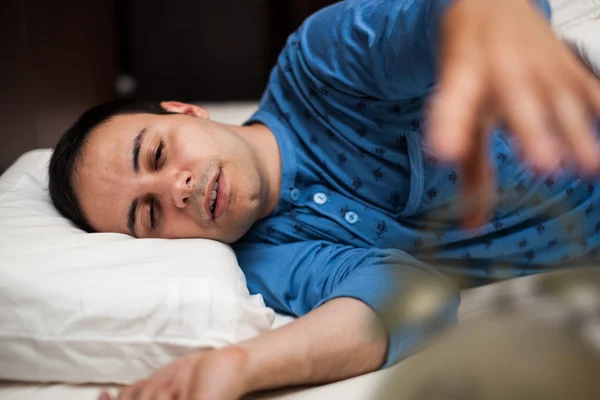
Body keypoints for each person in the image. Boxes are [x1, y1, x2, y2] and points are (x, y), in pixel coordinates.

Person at [47, 0, 600, 399]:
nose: (177, 189)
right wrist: (241, 367)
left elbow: (429, 28)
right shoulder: (267, 261)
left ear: (185, 110)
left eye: (158, 155)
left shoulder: (320, 66)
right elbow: (413, 297)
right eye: (149, 214)